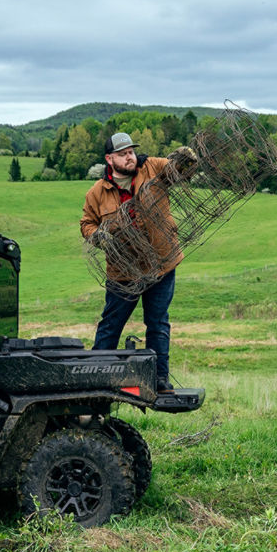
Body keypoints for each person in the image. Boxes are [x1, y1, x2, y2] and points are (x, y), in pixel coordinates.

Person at [81, 132, 198, 394]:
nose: (129, 156)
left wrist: (186, 159)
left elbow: (179, 171)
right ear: (109, 159)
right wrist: (96, 236)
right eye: (122, 154)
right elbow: (86, 223)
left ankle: (159, 381)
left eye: (131, 151)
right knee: (110, 326)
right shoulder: (96, 193)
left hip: (161, 263)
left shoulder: (153, 168)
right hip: (123, 272)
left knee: (157, 323)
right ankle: (93, 380)